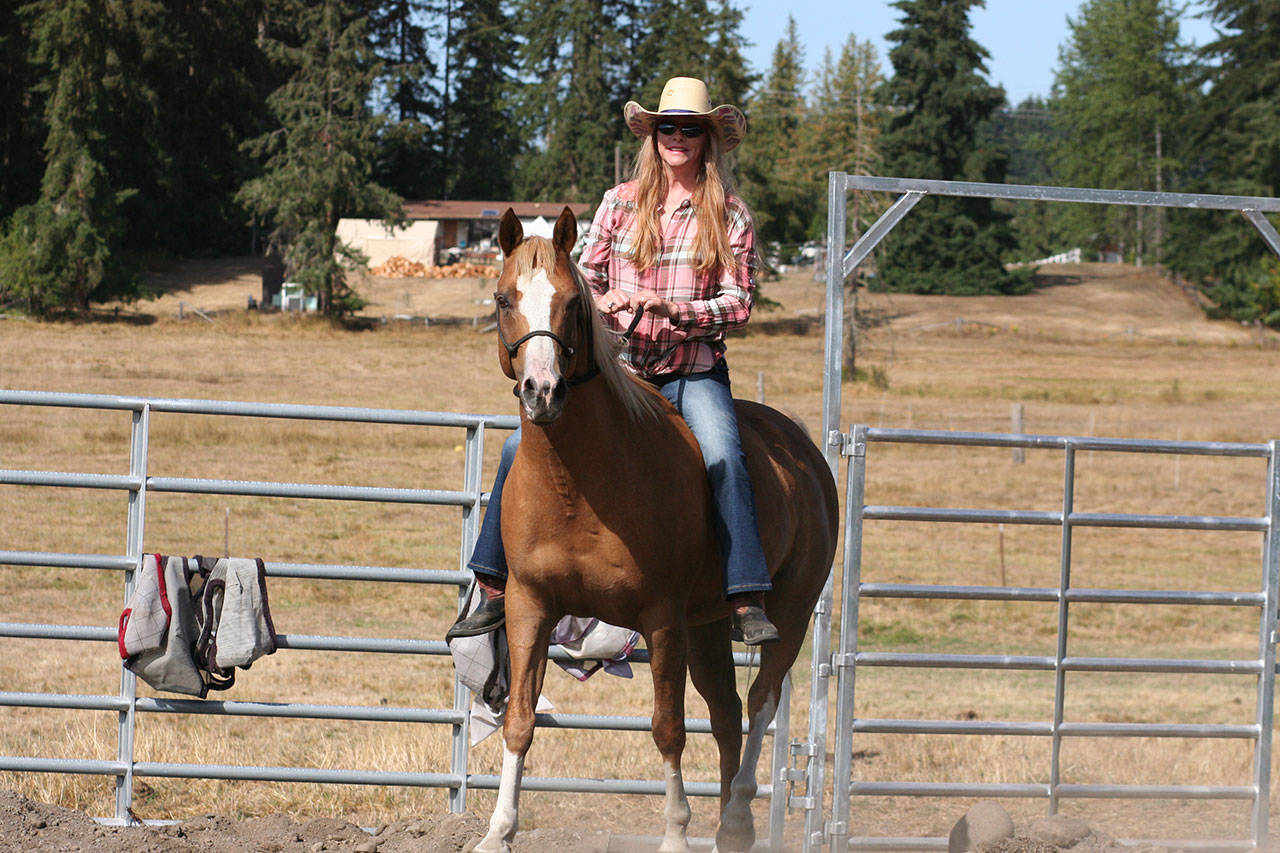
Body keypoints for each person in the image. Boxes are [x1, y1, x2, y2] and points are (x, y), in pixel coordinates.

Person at [447, 76, 779, 645]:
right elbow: (582, 279)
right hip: (620, 374)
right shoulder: (619, 204)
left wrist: (672, 307)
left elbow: (739, 304)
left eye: (690, 130)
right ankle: (493, 585)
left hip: (691, 371)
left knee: (724, 453)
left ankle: (745, 595)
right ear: (651, 137)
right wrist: (606, 301)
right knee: (512, 445)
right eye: (667, 128)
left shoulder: (729, 213)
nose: (677, 138)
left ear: (707, 139)